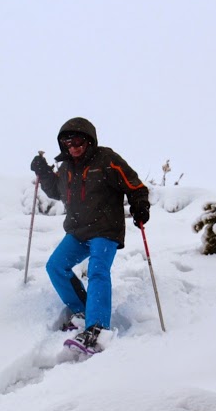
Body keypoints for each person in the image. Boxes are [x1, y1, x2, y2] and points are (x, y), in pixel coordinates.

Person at [30, 117, 150, 354]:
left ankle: (97, 329)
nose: (73, 146)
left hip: (106, 230)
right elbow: (55, 190)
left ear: (89, 140)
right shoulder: (65, 168)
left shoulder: (107, 160)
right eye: (67, 142)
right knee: (55, 266)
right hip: (78, 230)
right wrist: (44, 173)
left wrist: (140, 205)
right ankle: (82, 310)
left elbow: (135, 186)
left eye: (78, 141)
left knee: (97, 271)